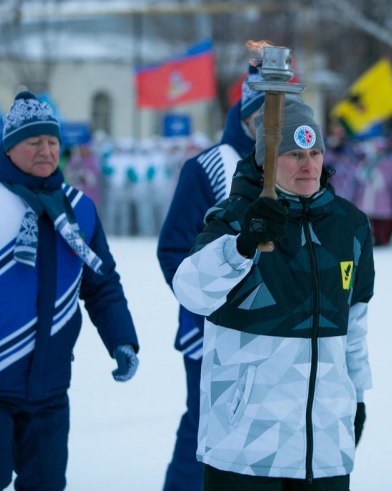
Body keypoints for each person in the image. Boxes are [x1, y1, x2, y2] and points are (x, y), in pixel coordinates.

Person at [0, 91, 140, 491]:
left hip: (49, 383)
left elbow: (102, 286)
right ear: (10, 147)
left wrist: (121, 340)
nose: (46, 151)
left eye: (52, 142)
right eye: (34, 142)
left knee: (46, 483)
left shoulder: (79, 209)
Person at [172, 96, 374, 490]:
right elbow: (191, 291)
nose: (308, 164)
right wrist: (242, 244)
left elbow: (357, 322)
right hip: (246, 445)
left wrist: (357, 395)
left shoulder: (349, 225)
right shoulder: (233, 217)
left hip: (324, 444)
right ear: (266, 160)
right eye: (294, 153)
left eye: (315, 152)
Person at [156, 64, 265, 491]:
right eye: (264, 116)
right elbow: (173, 249)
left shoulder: (298, 166)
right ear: (245, 115)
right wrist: (205, 300)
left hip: (276, 328)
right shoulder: (209, 166)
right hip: (212, 327)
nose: (273, 126)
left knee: (261, 430)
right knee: (206, 426)